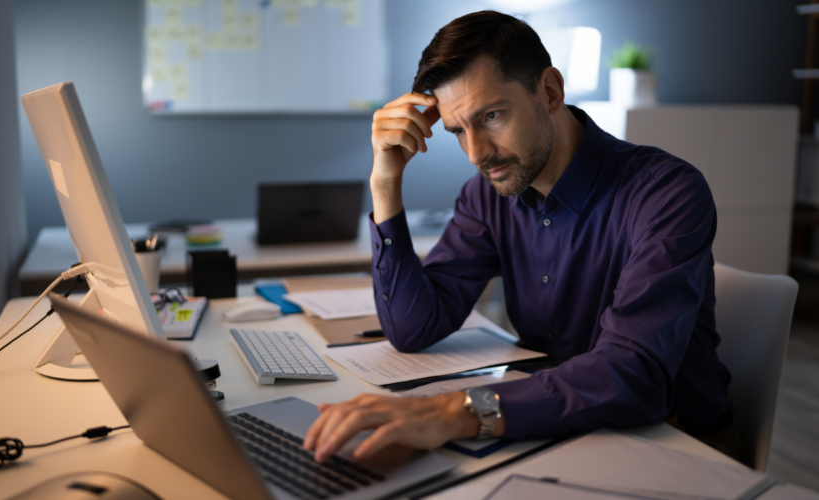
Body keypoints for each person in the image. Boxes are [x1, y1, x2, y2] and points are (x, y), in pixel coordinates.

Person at [303, 10, 740, 464]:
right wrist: (385, 183)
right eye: (458, 131)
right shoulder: (486, 196)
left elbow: (633, 374)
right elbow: (414, 327)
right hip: (554, 427)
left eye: (491, 116)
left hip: (676, 439)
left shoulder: (665, 193)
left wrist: (452, 411)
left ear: (549, 92)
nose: (475, 153)